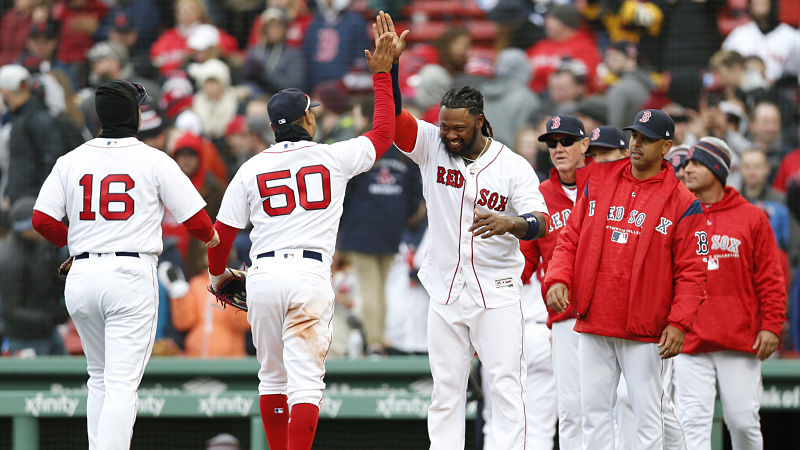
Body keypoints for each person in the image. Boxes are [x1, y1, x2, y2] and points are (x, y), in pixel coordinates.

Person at [206, 30, 397, 450]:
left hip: (265, 272)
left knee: (272, 377)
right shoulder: (332, 157)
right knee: (307, 383)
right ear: (308, 119)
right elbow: (384, 133)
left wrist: (218, 277)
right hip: (308, 273)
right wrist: (383, 76)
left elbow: (220, 238)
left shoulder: (250, 168)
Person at [376, 12, 551, 449]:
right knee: (445, 391)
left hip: (497, 292)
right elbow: (396, 122)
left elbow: (539, 221)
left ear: (479, 121)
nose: (449, 134)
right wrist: (389, 71)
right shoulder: (432, 143)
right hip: (445, 290)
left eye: (458, 127)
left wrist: (510, 223)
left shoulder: (512, 167)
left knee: (506, 387)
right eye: (445, 124)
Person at [31, 79, 219, 450]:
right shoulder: (152, 158)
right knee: (119, 383)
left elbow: (41, 219)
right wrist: (214, 241)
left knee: (98, 378)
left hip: (83, 275)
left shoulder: (72, 159)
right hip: (129, 276)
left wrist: (76, 243)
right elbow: (199, 224)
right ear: (135, 115)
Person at [545, 109, 707, 450]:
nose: (636, 143)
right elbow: (570, 238)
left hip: (645, 327)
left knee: (647, 417)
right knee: (594, 415)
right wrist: (558, 277)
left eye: (646, 138)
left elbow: (692, 273)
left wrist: (678, 323)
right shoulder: (600, 180)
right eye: (634, 135)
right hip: (593, 317)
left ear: (666, 146)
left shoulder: (683, 202)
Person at [675, 137, 786, 449]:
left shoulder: (752, 217)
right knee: (692, 422)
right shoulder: (680, 214)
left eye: (696, 163)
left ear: (716, 168)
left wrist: (771, 326)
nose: (687, 169)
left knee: (742, 421)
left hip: (739, 338)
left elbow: (771, 279)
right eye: (686, 164)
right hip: (689, 338)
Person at [521, 114, 589, 450]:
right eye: (552, 143)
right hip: (564, 318)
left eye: (566, 141)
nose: (558, 148)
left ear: (584, 145)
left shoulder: (605, 187)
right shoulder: (540, 195)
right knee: (572, 410)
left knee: (613, 404)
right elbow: (524, 260)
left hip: (608, 316)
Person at [0, 196, 69, 356]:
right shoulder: (10, 261)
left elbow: (52, 278)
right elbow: (12, 311)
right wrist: (52, 317)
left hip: (49, 333)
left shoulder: (41, 243)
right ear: (25, 230)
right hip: (25, 339)